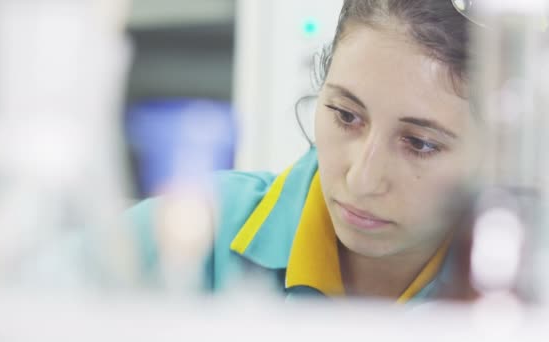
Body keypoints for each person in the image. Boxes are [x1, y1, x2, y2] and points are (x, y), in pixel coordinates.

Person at [127, 0, 483, 303]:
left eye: (419, 144)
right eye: (346, 116)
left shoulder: (523, 295)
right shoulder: (184, 231)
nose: (362, 180)